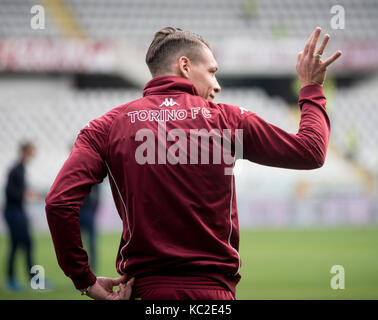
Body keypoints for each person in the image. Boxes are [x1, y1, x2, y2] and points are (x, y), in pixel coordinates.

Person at [45, 26, 341, 300]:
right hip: (214, 295)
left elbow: (59, 202)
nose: (217, 85)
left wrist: (84, 278)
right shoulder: (228, 121)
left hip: (144, 292)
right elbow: (312, 151)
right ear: (185, 66)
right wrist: (312, 88)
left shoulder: (106, 126)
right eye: (212, 71)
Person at [3, 142, 37, 291]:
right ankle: (12, 280)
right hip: (13, 213)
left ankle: (32, 278)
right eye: (31, 150)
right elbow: (10, 193)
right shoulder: (15, 170)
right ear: (24, 151)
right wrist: (26, 195)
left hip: (17, 212)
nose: (34, 153)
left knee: (25, 244)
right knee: (17, 246)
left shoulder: (21, 169)